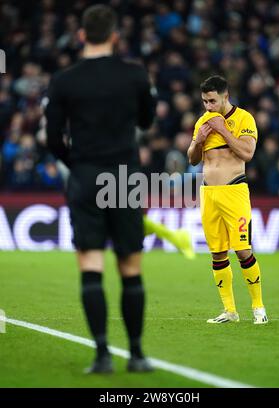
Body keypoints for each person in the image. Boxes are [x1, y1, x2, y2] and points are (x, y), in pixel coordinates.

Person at [46, 4, 156, 373]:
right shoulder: (135, 76)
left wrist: (75, 161)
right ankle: (137, 355)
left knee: (91, 264)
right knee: (130, 266)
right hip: (125, 176)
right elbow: (147, 119)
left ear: (81, 36)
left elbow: (52, 137)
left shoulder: (64, 80)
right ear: (114, 36)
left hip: (86, 175)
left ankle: (102, 355)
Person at [187, 75, 268, 324]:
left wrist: (223, 130)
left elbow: (247, 153)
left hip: (234, 191)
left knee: (243, 251)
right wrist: (199, 141)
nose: (208, 107)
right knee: (218, 254)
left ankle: (258, 308)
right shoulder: (202, 121)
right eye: (204, 101)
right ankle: (230, 311)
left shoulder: (244, 119)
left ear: (225, 96)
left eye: (212, 101)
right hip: (208, 193)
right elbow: (192, 159)